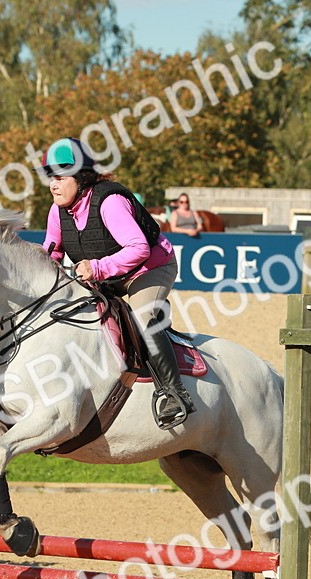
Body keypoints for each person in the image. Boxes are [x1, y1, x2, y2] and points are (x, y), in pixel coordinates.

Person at [40, 137, 195, 430]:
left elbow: (139, 249)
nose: (53, 184)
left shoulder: (110, 202)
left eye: (61, 177)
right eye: (51, 178)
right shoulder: (57, 210)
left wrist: (98, 267)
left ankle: (174, 393)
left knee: (143, 314)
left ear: (82, 177)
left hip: (150, 268)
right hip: (110, 274)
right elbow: (51, 252)